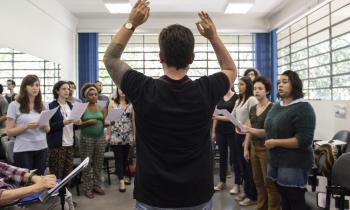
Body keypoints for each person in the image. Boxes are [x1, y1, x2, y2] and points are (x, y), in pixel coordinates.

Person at [103, 0, 236, 208]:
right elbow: (230, 69)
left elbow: (110, 58)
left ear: (160, 57)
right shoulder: (207, 89)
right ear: (192, 58)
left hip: (153, 194)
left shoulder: (142, 88)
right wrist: (213, 37)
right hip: (196, 194)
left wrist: (131, 23)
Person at [264, 70, 316, 210]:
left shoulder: (304, 108)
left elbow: (304, 140)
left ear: (295, 84)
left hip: (294, 162)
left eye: (285, 82)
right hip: (276, 160)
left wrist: (275, 142)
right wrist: (249, 130)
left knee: (294, 200)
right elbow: (269, 130)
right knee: (284, 200)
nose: (280, 85)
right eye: (278, 82)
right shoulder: (276, 106)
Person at [242, 76, 280, 210]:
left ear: (267, 91)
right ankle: (261, 207)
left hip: (266, 149)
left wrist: (249, 129)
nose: (256, 91)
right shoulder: (253, 108)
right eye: (255, 89)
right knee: (257, 181)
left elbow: (268, 132)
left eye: (260, 88)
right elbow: (249, 130)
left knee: (269, 182)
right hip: (253, 148)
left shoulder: (273, 108)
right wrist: (246, 147)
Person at [6, 75, 50, 175]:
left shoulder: (44, 105)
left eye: (37, 85)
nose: (35, 88)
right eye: (31, 85)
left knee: (39, 181)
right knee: (25, 183)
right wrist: (26, 126)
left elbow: (48, 130)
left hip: (42, 148)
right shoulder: (14, 105)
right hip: (23, 149)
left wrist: (45, 126)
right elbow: (9, 132)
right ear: (25, 87)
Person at [0, 162, 74, 210]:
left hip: (14, 195)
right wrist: (37, 187)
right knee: (58, 202)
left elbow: (11, 170)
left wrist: (37, 178)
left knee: (63, 192)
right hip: (8, 204)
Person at [231, 76, 257, 206]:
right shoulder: (239, 100)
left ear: (247, 86)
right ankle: (247, 191)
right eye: (238, 84)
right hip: (237, 134)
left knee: (249, 167)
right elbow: (233, 117)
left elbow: (253, 120)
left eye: (241, 84)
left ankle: (252, 196)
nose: (238, 86)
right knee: (241, 165)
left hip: (247, 135)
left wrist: (247, 139)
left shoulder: (252, 99)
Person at [47, 81, 81, 180]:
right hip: (57, 145)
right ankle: (56, 194)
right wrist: (63, 123)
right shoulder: (51, 106)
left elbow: (73, 126)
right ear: (57, 91)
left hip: (70, 143)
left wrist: (77, 123)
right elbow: (49, 128)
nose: (67, 91)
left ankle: (64, 193)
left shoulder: (71, 105)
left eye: (68, 89)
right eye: (64, 89)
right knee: (56, 174)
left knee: (67, 173)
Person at [79, 83, 107, 199]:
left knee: (98, 163)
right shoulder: (82, 108)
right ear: (86, 96)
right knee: (86, 164)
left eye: (96, 94)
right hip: (86, 138)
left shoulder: (102, 107)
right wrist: (87, 123)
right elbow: (77, 124)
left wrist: (109, 123)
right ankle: (87, 188)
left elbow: (104, 122)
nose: (94, 96)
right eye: (91, 94)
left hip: (100, 138)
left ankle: (96, 185)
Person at [106, 87, 135, 193]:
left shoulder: (131, 104)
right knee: (118, 158)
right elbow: (109, 120)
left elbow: (133, 121)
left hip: (127, 134)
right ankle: (121, 180)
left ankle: (122, 175)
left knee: (124, 158)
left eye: (124, 89)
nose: (122, 91)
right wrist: (108, 134)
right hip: (115, 134)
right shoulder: (112, 103)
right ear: (117, 91)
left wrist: (134, 135)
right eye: (120, 89)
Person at [211, 85, 238, 191]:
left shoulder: (237, 97)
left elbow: (234, 116)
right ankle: (222, 181)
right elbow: (215, 116)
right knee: (222, 156)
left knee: (235, 157)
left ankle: (237, 183)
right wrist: (213, 131)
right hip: (220, 131)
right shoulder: (219, 97)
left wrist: (218, 117)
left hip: (232, 130)